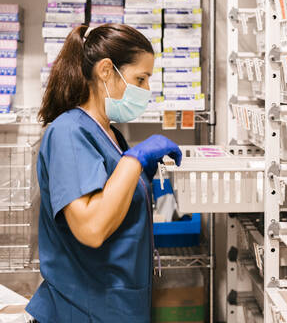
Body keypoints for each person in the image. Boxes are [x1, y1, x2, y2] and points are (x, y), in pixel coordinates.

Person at [25, 23, 182, 322]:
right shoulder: (69, 132)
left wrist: (142, 176)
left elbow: (113, 202)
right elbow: (92, 228)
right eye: (141, 78)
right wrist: (134, 161)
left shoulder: (110, 134)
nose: (147, 90)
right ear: (106, 70)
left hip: (113, 306)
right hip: (81, 308)